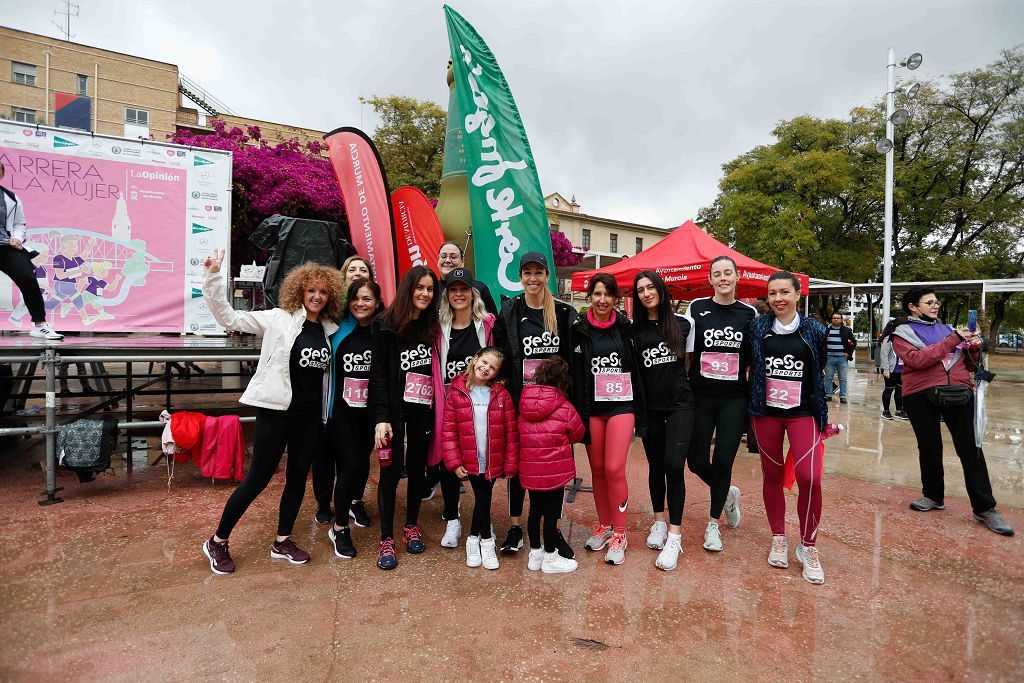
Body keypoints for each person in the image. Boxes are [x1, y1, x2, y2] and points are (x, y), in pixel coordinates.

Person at [200, 250, 342, 574]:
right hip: (275, 412)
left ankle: (283, 541)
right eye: (311, 290)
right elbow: (230, 318)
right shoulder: (279, 318)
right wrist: (212, 277)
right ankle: (217, 540)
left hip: (308, 419)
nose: (317, 296)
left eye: (323, 291)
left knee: (295, 481)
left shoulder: (330, 330)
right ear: (300, 291)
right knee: (258, 479)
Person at [891, 288, 1013, 536]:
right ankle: (933, 496)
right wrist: (954, 339)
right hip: (919, 395)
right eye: (929, 302)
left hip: (959, 392)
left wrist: (974, 347)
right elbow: (917, 360)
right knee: (929, 447)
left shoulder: (948, 329)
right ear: (913, 307)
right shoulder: (902, 333)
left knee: (972, 449)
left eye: (936, 302)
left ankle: (985, 508)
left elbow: (968, 363)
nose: (935, 305)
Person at [493, 251, 577, 556]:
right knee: (517, 467)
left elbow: (572, 358)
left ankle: (552, 531)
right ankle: (516, 527)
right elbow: (500, 353)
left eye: (538, 273)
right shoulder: (511, 311)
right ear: (520, 277)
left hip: (555, 408)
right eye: (527, 273)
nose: (532, 279)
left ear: (547, 276)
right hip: (522, 405)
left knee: (555, 469)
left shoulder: (564, 313)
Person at [748, 271, 828, 585]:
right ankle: (778, 537)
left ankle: (808, 545)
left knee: (810, 477)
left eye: (784, 292)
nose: (778, 299)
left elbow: (819, 368)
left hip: (803, 412)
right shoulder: (757, 327)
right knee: (772, 474)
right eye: (772, 293)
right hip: (765, 411)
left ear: (797, 295)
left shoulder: (815, 330)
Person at [682, 256, 756, 552]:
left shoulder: (749, 314)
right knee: (696, 460)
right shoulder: (697, 308)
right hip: (701, 395)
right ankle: (726, 494)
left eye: (728, 273)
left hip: (734, 398)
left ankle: (713, 525)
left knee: (724, 460)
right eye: (717, 274)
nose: (723, 277)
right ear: (710, 279)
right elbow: (687, 352)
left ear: (737, 277)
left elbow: (753, 359)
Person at [572, 273, 646, 566]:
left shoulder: (628, 330)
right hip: (592, 409)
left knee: (615, 468)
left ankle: (620, 533)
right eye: (597, 294)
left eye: (608, 294)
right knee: (598, 470)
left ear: (616, 299)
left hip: (621, 407)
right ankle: (604, 526)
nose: (602, 300)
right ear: (589, 297)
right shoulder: (577, 330)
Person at [370, 265, 440, 570]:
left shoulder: (431, 325)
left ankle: (411, 525)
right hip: (394, 415)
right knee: (390, 471)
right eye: (419, 288)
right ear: (408, 288)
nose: (424, 294)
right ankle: (386, 537)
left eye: (430, 290)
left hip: (422, 410)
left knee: (416, 470)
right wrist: (381, 417)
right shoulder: (385, 325)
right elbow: (379, 376)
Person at [632, 271, 694, 571]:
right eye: (640, 290)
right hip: (651, 409)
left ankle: (674, 535)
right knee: (655, 467)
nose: (646, 293)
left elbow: (692, 363)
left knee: (673, 465)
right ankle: (659, 520)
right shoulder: (635, 332)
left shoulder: (683, 324)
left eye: (650, 287)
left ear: (660, 289)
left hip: (681, 405)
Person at [429, 267, 496, 549]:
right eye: (453, 290)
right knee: (448, 460)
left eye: (464, 289)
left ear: (473, 293)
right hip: (448, 403)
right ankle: (453, 519)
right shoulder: (438, 326)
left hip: (480, 403)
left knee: (482, 460)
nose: (459, 294)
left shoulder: (487, 323)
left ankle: (483, 518)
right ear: (447, 294)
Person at [312, 254, 376, 528]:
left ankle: (354, 502)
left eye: (364, 269)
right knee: (326, 458)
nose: (358, 273)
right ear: (343, 275)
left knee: (360, 459)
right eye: (353, 269)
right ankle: (325, 503)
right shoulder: (329, 318)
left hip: (366, 407)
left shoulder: (376, 322)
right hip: (331, 406)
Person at [441, 347, 519, 569]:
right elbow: (448, 431)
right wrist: (454, 462)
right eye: (484, 362)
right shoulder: (457, 392)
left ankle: (473, 538)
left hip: (493, 459)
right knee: (483, 499)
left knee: (483, 500)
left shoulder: (501, 395)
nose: (486, 368)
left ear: (496, 373)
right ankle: (486, 541)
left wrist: (510, 463)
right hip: (470, 460)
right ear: (475, 360)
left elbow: (511, 432)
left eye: (492, 367)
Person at [322, 278, 383, 559]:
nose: (361, 303)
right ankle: (340, 526)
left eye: (367, 299)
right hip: (341, 413)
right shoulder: (336, 329)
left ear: (377, 303)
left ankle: (352, 505)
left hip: (369, 415)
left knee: (361, 466)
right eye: (357, 298)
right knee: (349, 466)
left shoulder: (381, 332)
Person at [519, 357, 584, 574]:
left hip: (531, 470)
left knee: (534, 511)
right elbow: (578, 432)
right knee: (551, 515)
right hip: (555, 472)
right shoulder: (564, 406)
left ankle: (534, 555)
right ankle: (550, 557)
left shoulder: (524, 404)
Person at [0, 163, 62, 340]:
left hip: (6, 246)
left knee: (27, 276)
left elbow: (20, 223)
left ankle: (40, 325)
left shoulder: (10, 198)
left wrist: (18, 238)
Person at [436, 241, 497, 315]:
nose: (447, 260)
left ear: (462, 261)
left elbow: (494, 322)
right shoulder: (432, 290)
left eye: (453, 257)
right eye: (443, 256)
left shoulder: (479, 288)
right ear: (438, 260)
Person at [878, 319, 908, 420]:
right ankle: (886, 411)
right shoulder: (888, 339)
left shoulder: (903, 339)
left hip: (902, 370)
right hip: (891, 370)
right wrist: (886, 369)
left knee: (900, 391)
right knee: (888, 390)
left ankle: (899, 411)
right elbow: (884, 355)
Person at [824, 312, 856, 404]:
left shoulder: (846, 330)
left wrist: (848, 353)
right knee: (828, 378)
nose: (836, 319)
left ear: (841, 320)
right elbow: (821, 342)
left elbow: (853, 343)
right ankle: (828, 395)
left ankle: (842, 396)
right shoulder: (826, 330)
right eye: (834, 318)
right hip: (829, 357)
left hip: (842, 358)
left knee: (843, 378)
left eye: (838, 318)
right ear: (831, 319)